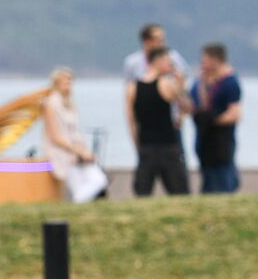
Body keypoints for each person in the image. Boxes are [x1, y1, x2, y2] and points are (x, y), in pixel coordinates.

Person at [128, 47, 192, 196]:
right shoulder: (167, 84)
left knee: (142, 192)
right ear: (158, 61)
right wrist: (181, 84)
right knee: (179, 191)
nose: (171, 66)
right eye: (169, 62)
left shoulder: (132, 87)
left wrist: (137, 145)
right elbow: (188, 107)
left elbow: (131, 121)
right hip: (168, 145)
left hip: (145, 145)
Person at [43, 66, 107, 201]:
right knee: (93, 183)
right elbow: (54, 136)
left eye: (70, 81)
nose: (69, 84)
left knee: (94, 182)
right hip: (63, 154)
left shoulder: (69, 104)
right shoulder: (51, 104)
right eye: (65, 81)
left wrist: (83, 150)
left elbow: (75, 133)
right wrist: (78, 151)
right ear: (56, 83)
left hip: (76, 152)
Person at [189, 43, 243, 194]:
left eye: (205, 60)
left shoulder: (230, 82)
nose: (202, 64)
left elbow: (235, 114)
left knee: (223, 175)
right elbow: (194, 105)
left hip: (221, 140)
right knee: (208, 178)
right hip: (203, 138)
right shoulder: (202, 82)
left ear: (215, 60)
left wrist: (212, 120)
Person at [122, 22, 189, 87]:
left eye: (163, 39)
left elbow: (184, 77)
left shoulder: (172, 56)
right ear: (146, 40)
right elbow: (129, 87)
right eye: (157, 39)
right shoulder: (132, 62)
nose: (161, 43)